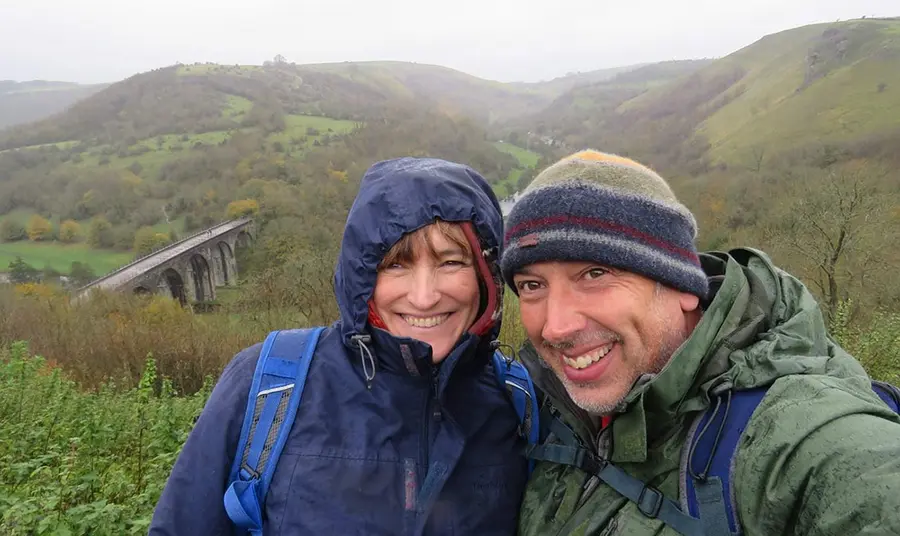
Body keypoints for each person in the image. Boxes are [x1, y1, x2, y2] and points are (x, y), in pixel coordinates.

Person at [500, 149, 900, 536]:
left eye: (595, 273)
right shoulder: (547, 409)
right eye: (532, 285)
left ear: (681, 285)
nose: (555, 327)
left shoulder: (796, 435)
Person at [149, 157, 528, 535]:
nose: (425, 297)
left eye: (451, 262)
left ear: (485, 275)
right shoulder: (270, 384)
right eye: (396, 266)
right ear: (361, 275)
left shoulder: (520, 403)